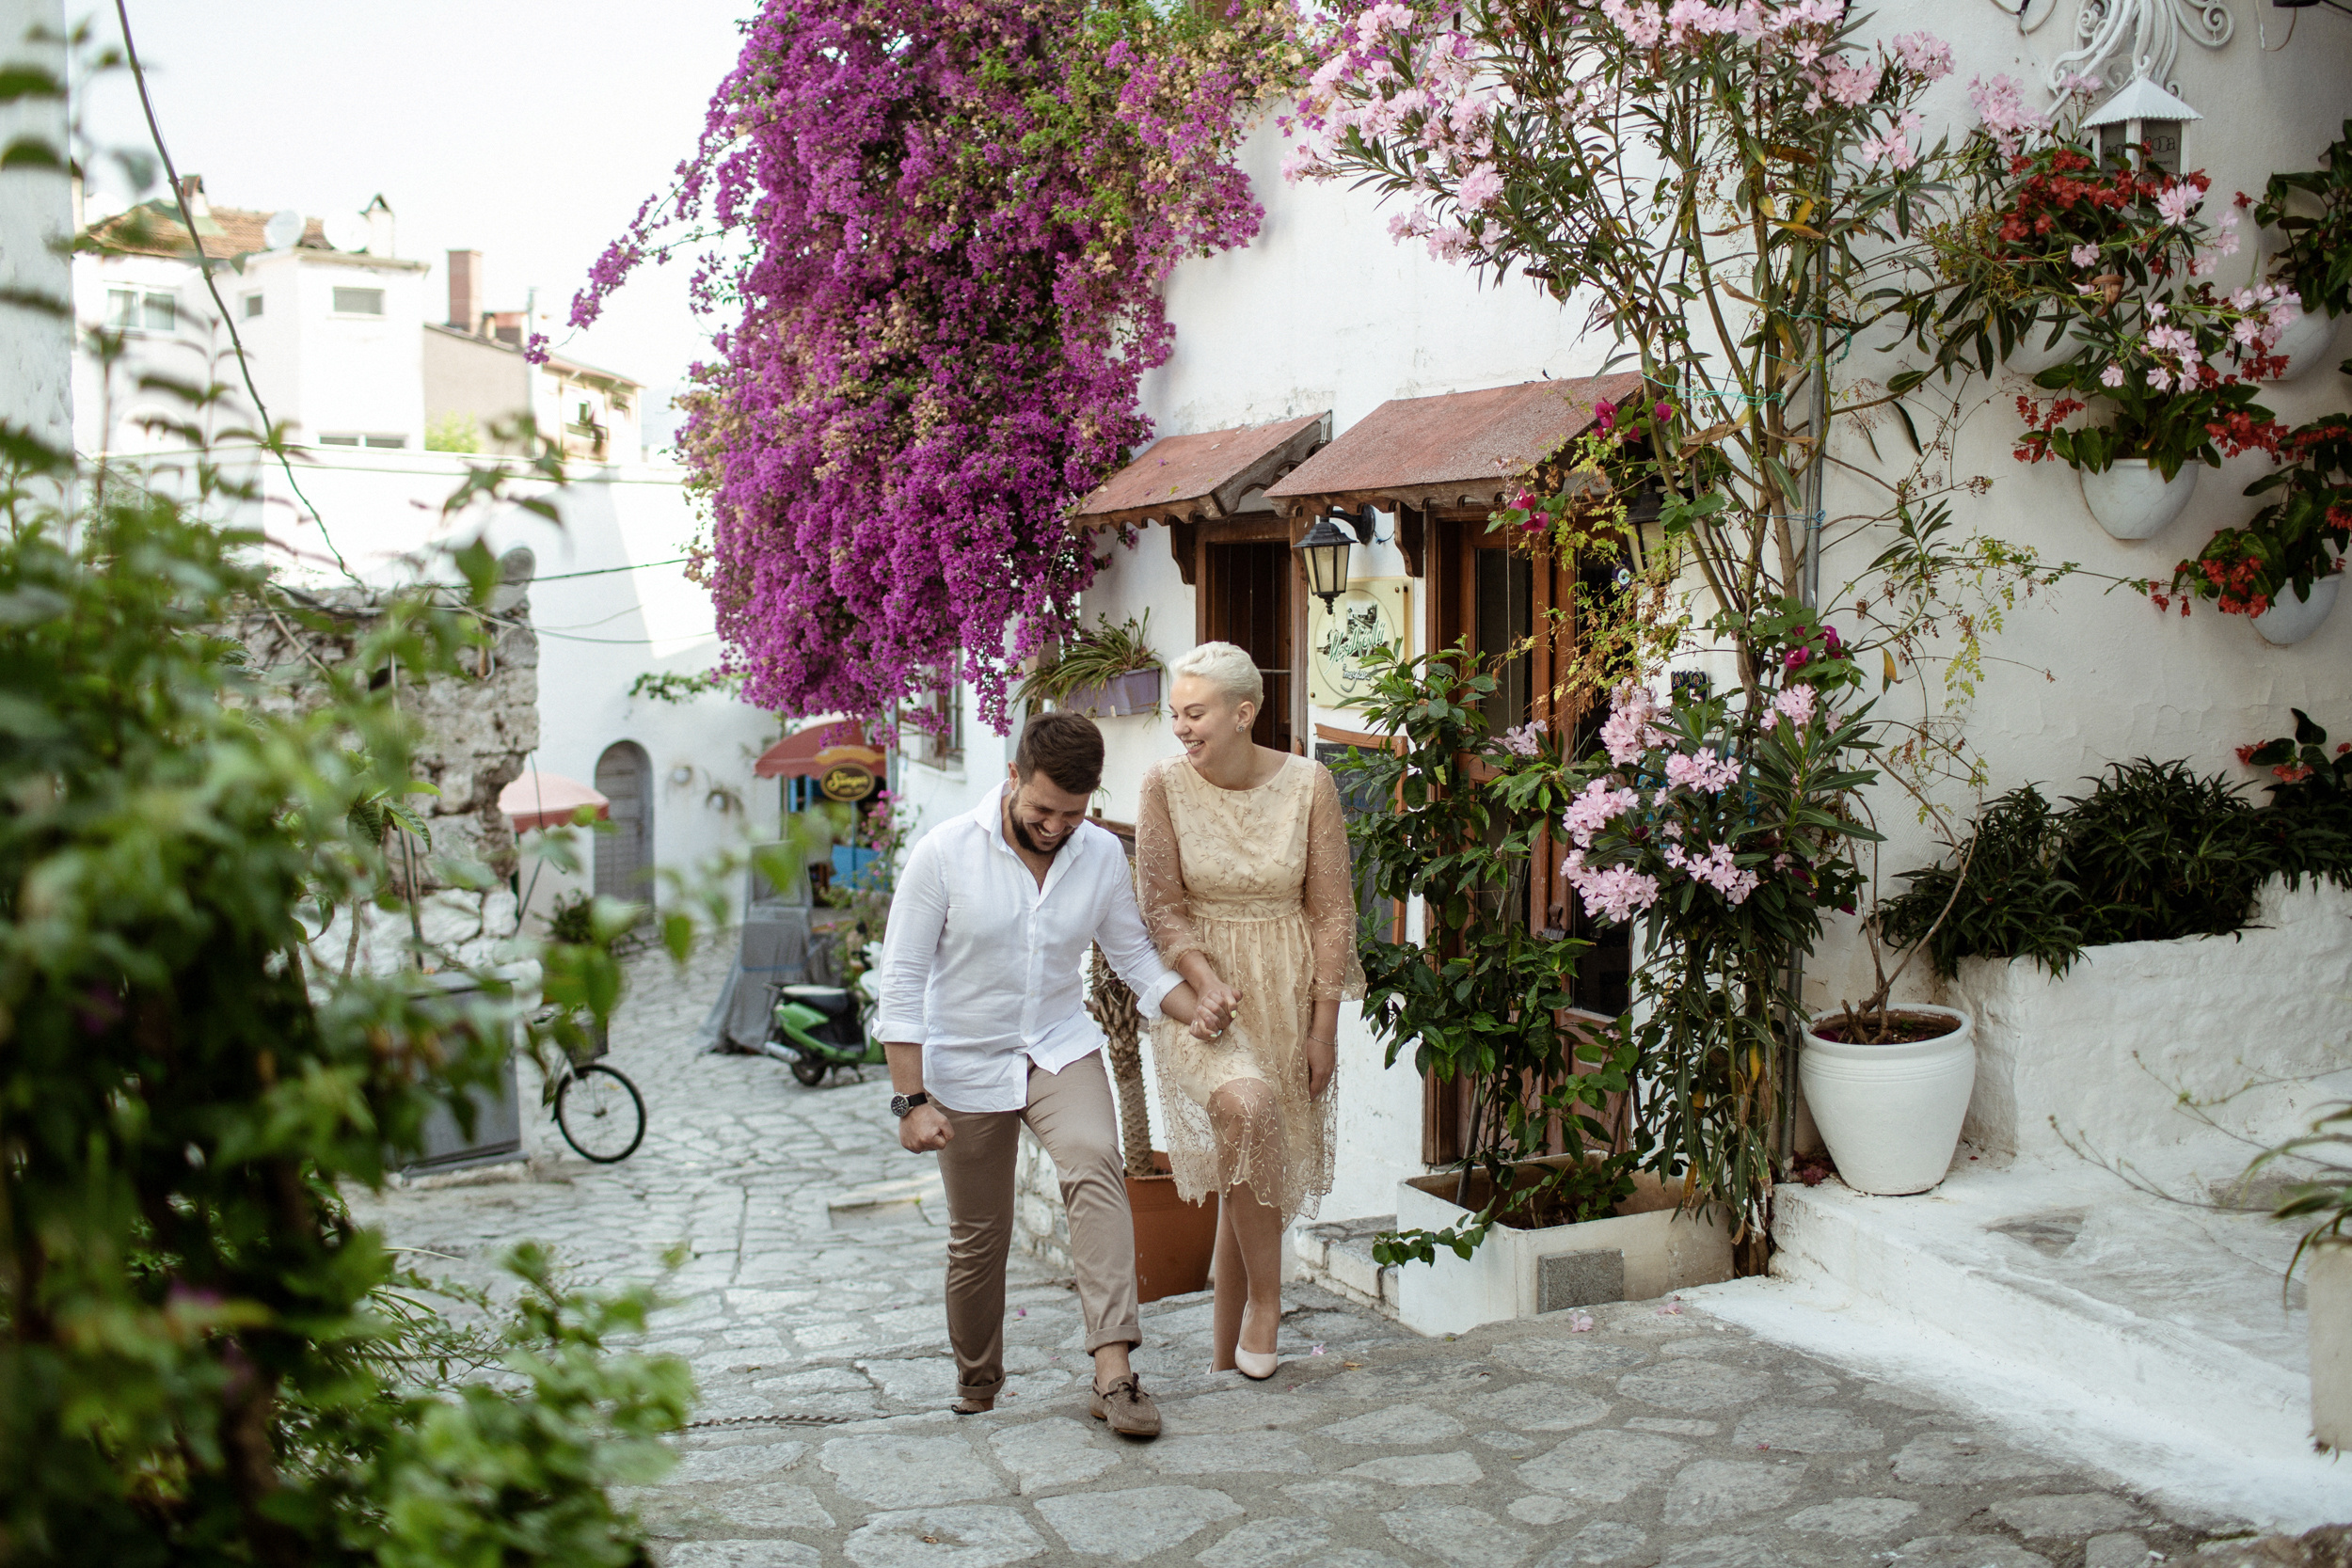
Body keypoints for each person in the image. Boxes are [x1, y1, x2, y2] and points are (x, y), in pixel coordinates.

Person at [874, 710, 1216, 1436]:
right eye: (1042, 809)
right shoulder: (942, 854)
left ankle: (1114, 1374)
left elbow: (1133, 957)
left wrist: (1197, 1009)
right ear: (1011, 778)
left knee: (1096, 1160)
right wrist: (910, 1098)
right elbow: (901, 981)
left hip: (1059, 1046)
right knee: (979, 1235)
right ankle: (978, 1381)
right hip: (963, 1060)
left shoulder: (1097, 855)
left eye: (1073, 812)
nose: (1057, 826)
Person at [1136, 641, 1364, 1380]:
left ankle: (1223, 1363)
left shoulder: (1310, 785)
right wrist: (1203, 982)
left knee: (1252, 1161)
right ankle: (1269, 1302)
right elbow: (1161, 908)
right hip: (1203, 1002)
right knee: (1249, 1110)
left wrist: (1323, 1028)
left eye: (1194, 713)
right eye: (1175, 713)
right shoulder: (1162, 787)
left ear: (1244, 712)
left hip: (1286, 991)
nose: (1181, 727)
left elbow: (1332, 914)